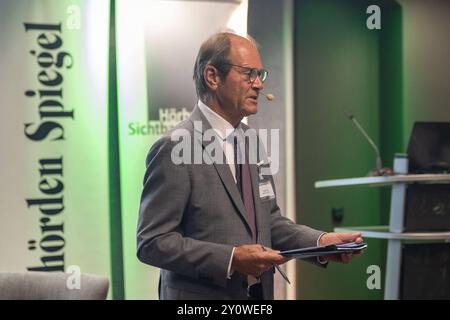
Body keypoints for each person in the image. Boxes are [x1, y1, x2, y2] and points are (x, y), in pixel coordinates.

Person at [136, 32, 363, 300]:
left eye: (260, 75)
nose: (258, 85)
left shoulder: (251, 140)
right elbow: (152, 242)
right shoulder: (175, 146)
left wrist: (319, 243)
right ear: (212, 77)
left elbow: (270, 222)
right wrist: (231, 259)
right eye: (248, 74)